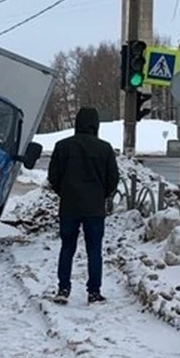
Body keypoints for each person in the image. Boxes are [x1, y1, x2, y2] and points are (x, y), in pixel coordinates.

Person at [47, 106, 119, 305]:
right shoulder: (105, 148)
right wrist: (100, 195)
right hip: (95, 208)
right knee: (94, 250)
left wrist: (65, 191)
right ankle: (94, 292)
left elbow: (53, 176)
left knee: (67, 247)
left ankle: (63, 288)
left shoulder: (62, 146)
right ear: (95, 125)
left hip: (69, 206)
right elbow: (113, 178)